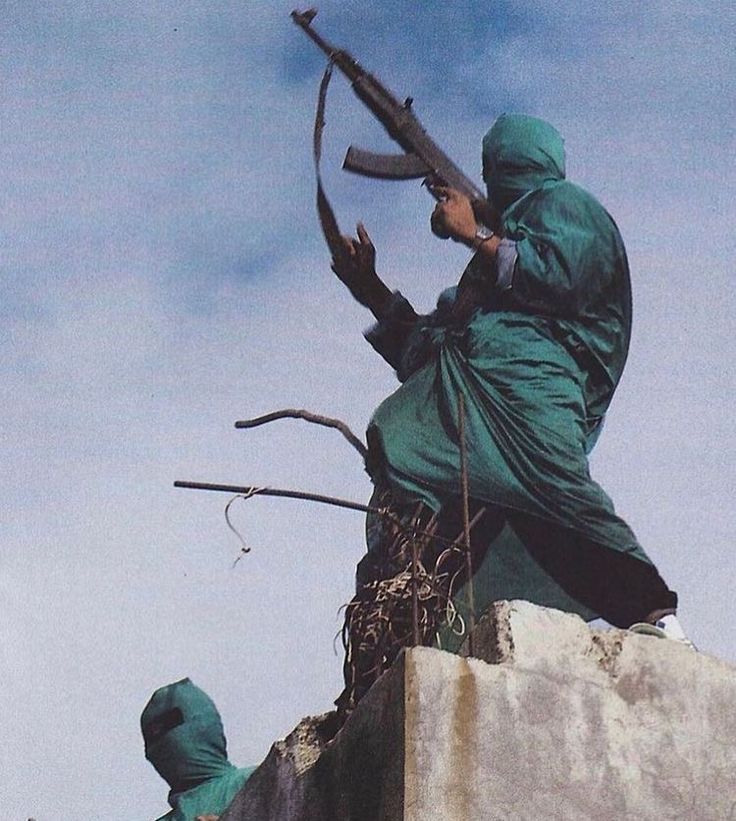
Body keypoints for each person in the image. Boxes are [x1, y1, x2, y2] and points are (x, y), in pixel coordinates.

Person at [331, 113, 689, 713]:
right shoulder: (489, 269)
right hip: (460, 415)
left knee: (560, 502)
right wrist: (368, 287)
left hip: (529, 396)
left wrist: (478, 235)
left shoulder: (566, 206)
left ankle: (659, 620)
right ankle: (380, 679)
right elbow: (430, 348)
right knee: (419, 538)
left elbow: (564, 277)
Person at [141, 678, 256, 821]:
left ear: (203, 725)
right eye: (152, 737)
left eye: (170, 726)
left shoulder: (257, 779)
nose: (161, 747)